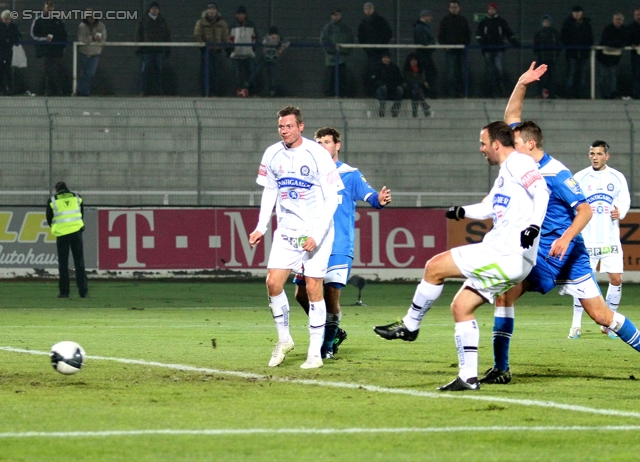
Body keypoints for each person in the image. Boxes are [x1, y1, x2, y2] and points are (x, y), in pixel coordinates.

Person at [480, 63, 640, 386]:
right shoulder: (523, 160)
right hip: (546, 250)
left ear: (530, 144)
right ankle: (501, 367)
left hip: (563, 250)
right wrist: (522, 82)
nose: (510, 146)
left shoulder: (556, 173)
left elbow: (584, 211)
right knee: (507, 296)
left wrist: (566, 238)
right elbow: (512, 111)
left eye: (515, 141)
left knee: (601, 316)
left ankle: (501, 368)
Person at [373, 120, 550, 391]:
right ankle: (468, 377)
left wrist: (534, 226)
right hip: (511, 258)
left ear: (496, 144)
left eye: (483, 143)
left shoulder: (519, 162)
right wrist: (461, 212)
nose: (480, 149)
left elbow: (542, 192)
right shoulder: (505, 173)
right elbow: (490, 207)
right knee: (461, 307)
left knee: (434, 267)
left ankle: (410, 325)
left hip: (506, 252)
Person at [248, 106, 344, 370]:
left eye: (289, 126)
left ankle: (314, 352)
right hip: (287, 231)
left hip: (317, 231)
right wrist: (261, 227)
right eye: (281, 126)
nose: (285, 130)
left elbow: (332, 199)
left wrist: (316, 234)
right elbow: (269, 191)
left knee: (313, 288)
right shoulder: (272, 153)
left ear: (300, 126)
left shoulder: (318, 154)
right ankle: (284, 339)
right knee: (273, 284)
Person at [294, 127, 391, 359]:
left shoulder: (349, 174)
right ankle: (332, 330)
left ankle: (327, 345)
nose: (321, 146)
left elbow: (370, 196)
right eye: (318, 142)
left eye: (326, 142)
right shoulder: (307, 173)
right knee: (301, 294)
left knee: (330, 295)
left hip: (338, 246)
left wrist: (379, 199)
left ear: (337, 145)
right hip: (312, 245)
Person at [569, 141, 631, 339]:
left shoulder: (617, 177)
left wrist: (620, 211)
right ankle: (576, 326)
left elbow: (625, 200)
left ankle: (609, 325)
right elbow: (571, 202)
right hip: (587, 241)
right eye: (591, 153)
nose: (594, 157)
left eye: (598, 154)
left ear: (607, 156)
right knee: (582, 281)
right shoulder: (580, 177)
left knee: (616, 279)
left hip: (610, 240)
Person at [46, 182, 88, 299]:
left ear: (56, 189)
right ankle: (83, 292)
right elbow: (81, 214)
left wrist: (57, 228)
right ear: (67, 188)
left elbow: (49, 218)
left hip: (62, 234)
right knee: (79, 263)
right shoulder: (77, 197)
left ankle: (64, 293)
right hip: (76, 233)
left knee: (63, 264)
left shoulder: (52, 200)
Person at [30, 0, 68, 96]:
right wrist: (44, 39)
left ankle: (51, 90)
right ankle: (53, 91)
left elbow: (63, 36)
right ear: (44, 8)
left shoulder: (57, 21)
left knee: (53, 71)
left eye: (51, 7)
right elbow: (33, 35)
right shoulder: (38, 20)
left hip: (56, 52)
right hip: (45, 51)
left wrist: (62, 48)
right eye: (47, 7)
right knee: (49, 71)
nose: (49, 9)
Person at [135, 1, 171, 96]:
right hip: (146, 50)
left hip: (159, 50)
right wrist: (138, 48)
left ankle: (158, 92)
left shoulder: (163, 20)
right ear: (150, 9)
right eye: (153, 8)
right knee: (145, 71)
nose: (154, 10)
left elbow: (167, 35)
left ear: (158, 10)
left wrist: (167, 48)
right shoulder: (143, 20)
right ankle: (143, 91)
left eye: (156, 8)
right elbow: (138, 35)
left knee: (158, 71)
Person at [194, 2, 229, 97]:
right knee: (205, 73)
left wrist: (228, 48)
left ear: (216, 10)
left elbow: (225, 36)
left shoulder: (222, 23)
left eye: (213, 9)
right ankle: (205, 92)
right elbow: (197, 34)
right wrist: (203, 46)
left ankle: (215, 93)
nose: (211, 11)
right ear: (207, 10)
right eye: (209, 9)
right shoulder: (201, 22)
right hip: (206, 52)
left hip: (217, 51)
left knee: (216, 73)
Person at [438, 1, 471, 98]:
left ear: (459, 8)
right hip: (450, 51)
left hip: (461, 50)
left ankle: (462, 93)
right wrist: (444, 45)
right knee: (451, 73)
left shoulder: (463, 20)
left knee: (462, 72)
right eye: (452, 7)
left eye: (455, 7)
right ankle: (451, 93)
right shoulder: (445, 20)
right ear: (449, 8)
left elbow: (468, 34)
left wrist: (465, 45)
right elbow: (441, 35)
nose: (454, 9)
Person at [358, 2, 392, 96]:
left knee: (382, 71)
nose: (368, 11)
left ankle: (383, 92)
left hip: (381, 52)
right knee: (372, 72)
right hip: (371, 53)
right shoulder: (363, 23)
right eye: (366, 9)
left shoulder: (381, 21)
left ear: (373, 9)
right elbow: (361, 37)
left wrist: (381, 44)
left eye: (369, 9)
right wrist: (367, 48)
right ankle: (374, 93)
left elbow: (388, 33)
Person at [245, 26, 289, 97]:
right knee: (256, 70)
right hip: (264, 59)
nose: (273, 36)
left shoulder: (280, 39)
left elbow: (287, 43)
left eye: (275, 35)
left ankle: (272, 91)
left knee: (272, 76)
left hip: (273, 60)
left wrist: (281, 48)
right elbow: (264, 42)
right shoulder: (266, 38)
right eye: (272, 35)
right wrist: (274, 42)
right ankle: (247, 83)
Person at [561, 5, 593, 99]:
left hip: (583, 54)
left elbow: (590, 38)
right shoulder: (568, 23)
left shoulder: (586, 24)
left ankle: (580, 94)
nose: (577, 14)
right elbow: (564, 37)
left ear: (581, 13)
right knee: (571, 74)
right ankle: (569, 94)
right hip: (572, 53)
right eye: (575, 12)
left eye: (578, 12)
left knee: (581, 75)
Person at [319, 9, 353, 97]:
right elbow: (323, 41)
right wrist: (332, 52)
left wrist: (346, 52)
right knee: (330, 77)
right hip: (331, 59)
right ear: (331, 16)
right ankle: (330, 95)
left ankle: (342, 95)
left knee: (342, 77)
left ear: (340, 15)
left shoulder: (345, 28)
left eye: (337, 15)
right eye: (334, 15)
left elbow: (350, 41)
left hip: (342, 58)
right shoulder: (327, 28)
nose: (336, 17)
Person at [76, 8, 106, 97]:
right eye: (89, 16)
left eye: (92, 16)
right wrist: (92, 38)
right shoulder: (82, 26)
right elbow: (81, 39)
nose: (91, 18)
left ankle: (81, 89)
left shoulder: (101, 26)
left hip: (95, 53)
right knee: (83, 72)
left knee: (90, 73)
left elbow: (103, 38)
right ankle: (83, 91)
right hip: (83, 52)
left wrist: (98, 44)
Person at [596, 13, 626, 99]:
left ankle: (613, 94)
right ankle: (604, 95)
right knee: (603, 77)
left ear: (622, 21)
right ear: (613, 20)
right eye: (616, 19)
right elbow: (605, 41)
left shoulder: (624, 30)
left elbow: (625, 40)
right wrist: (617, 44)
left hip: (614, 58)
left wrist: (614, 44)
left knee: (613, 76)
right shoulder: (607, 29)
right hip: (602, 58)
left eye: (619, 19)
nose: (618, 21)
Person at [229, 5, 256, 96]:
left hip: (248, 54)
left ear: (245, 15)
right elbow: (229, 38)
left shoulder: (251, 25)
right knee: (237, 77)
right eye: (239, 14)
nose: (240, 16)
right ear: (236, 15)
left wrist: (252, 48)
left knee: (251, 74)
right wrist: (231, 49)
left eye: (242, 14)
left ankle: (249, 92)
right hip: (236, 55)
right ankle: (239, 92)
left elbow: (255, 37)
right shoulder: (232, 26)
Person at [533, 14, 560, 99]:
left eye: (547, 21)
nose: (546, 23)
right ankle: (541, 93)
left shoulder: (554, 33)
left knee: (551, 77)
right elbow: (535, 46)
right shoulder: (539, 33)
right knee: (541, 77)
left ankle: (551, 94)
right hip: (542, 58)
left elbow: (559, 45)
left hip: (551, 58)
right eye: (545, 21)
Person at [413, 9, 437, 98]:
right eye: (430, 16)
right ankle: (427, 93)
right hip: (423, 54)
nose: (431, 18)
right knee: (431, 72)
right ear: (425, 16)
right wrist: (433, 44)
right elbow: (423, 41)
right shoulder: (421, 27)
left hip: (424, 54)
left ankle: (425, 92)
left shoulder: (422, 26)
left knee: (429, 73)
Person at [372, 51, 404, 117]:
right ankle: (382, 108)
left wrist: (393, 85)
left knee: (400, 90)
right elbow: (374, 80)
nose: (386, 59)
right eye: (384, 57)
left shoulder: (394, 68)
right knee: (383, 88)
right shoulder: (377, 68)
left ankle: (395, 109)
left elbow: (399, 79)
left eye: (388, 58)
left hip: (392, 89)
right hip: (381, 89)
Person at [0, 10, 20, 95]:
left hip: (8, 51)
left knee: (8, 71)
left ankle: (10, 89)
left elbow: (17, 37)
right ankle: (2, 89)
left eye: (8, 19)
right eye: (5, 19)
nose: (7, 21)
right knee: (1, 71)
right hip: (1, 51)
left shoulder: (13, 26)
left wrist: (11, 41)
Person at [628, 8, 640, 99]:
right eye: (636, 15)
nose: (638, 17)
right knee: (636, 74)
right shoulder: (631, 27)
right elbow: (627, 39)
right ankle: (636, 94)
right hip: (636, 55)